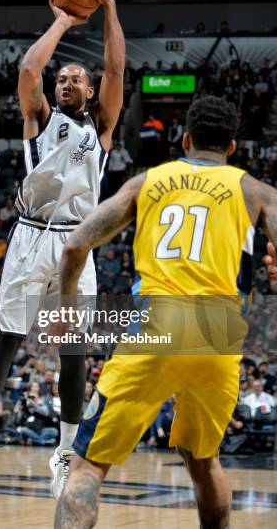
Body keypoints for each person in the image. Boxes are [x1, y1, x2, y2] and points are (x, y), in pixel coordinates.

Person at [54, 95, 277, 529]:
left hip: (158, 324)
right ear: (231, 148)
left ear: (185, 139)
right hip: (220, 336)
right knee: (204, 462)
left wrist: (66, 312)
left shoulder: (146, 182)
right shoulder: (258, 191)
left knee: (87, 467)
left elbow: (74, 245)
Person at [0, 0, 125, 499]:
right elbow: (28, 73)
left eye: (77, 78)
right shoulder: (38, 119)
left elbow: (118, 72)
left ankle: (65, 454)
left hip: (77, 242)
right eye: (64, 79)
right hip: (32, 235)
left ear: (90, 90)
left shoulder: (100, 129)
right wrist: (60, 22)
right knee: (6, 341)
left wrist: (110, 9)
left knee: (72, 352)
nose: (67, 81)